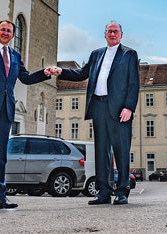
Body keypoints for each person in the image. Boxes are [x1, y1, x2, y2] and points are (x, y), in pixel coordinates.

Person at [0, 19, 51, 211]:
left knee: (1, 156)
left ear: (13, 35)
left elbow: (27, 78)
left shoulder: (15, 55)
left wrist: (45, 73)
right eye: (3, 30)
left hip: (6, 110)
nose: (6, 33)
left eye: (9, 31)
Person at [54, 21, 140, 205]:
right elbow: (81, 74)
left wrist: (129, 107)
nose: (112, 34)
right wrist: (61, 71)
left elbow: (134, 83)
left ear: (121, 35)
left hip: (119, 109)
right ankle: (103, 192)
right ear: (104, 34)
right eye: (109, 31)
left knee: (121, 151)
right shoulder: (96, 54)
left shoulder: (129, 54)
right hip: (99, 106)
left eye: (116, 31)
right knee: (102, 151)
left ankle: (122, 191)